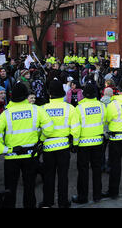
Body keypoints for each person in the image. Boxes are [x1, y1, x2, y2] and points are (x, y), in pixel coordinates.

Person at [0, 82, 55, 208]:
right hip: (31, 155)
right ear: (26, 96)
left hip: (11, 156)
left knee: (10, 189)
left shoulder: (6, 113)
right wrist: (40, 140)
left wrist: (4, 148)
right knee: (29, 187)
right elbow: (49, 129)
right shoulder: (36, 110)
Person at [38, 80, 80, 208]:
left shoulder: (42, 109)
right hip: (63, 147)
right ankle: (63, 202)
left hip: (48, 147)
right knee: (63, 176)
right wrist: (75, 144)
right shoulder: (70, 108)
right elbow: (76, 128)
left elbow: (39, 129)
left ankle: (48, 202)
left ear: (49, 93)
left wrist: (40, 141)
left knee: (48, 176)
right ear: (62, 93)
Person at [72, 82, 107, 204]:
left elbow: (76, 129)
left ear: (84, 94)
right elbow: (104, 120)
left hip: (83, 144)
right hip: (98, 142)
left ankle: (83, 197)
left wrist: (75, 144)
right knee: (97, 169)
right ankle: (97, 195)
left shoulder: (79, 108)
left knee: (83, 171)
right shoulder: (102, 106)